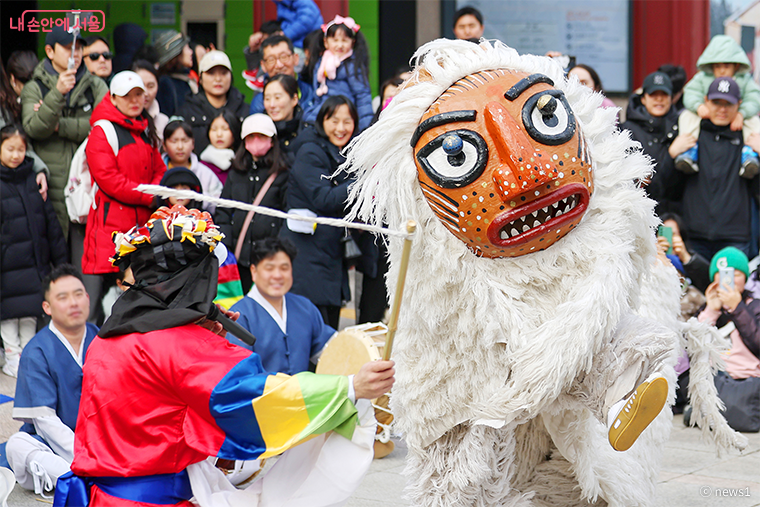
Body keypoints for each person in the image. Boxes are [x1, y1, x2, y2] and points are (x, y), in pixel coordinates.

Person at [55, 206, 394, 507]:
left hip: (100, 494)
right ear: (196, 282)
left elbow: (161, 406)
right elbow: (259, 401)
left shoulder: (107, 337)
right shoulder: (183, 346)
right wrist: (348, 387)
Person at [5, 265, 97, 497]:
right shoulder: (37, 350)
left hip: (103, 440)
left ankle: (83, 480)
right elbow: (46, 421)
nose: (74, 303)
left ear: (87, 298)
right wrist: (85, 455)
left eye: (78, 294)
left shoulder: (102, 338)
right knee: (17, 446)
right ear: (47, 307)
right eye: (63, 297)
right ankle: (89, 477)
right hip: (57, 446)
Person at [82, 71, 166, 325]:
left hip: (142, 225)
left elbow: (160, 168)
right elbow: (108, 179)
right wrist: (148, 196)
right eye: (127, 95)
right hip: (111, 228)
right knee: (101, 299)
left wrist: (153, 192)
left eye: (139, 94)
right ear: (114, 98)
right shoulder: (102, 131)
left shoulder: (144, 127)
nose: (134, 100)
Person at [20, 26, 108, 239]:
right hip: (50, 185)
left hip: (88, 184)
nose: (75, 54)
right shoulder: (34, 87)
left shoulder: (95, 85)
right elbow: (34, 128)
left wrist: (59, 126)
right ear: (50, 52)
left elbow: (103, 128)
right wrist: (57, 93)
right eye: (68, 48)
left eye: (78, 48)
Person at [281, 96, 357, 328]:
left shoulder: (345, 153)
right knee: (311, 328)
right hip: (307, 258)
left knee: (327, 330)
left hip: (329, 256)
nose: (341, 128)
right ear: (322, 121)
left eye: (347, 121)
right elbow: (323, 199)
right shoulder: (310, 152)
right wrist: (363, 182)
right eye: (334, 121)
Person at [0, 125, 67, 377]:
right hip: (7, 264)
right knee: (7, 315)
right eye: (10, 149)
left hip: (33, 260)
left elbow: (50, 222)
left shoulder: (33, 178)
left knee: (30, 311)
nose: (16, 155)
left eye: (21, 149)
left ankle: (27, 355)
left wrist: (60, 262)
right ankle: (12, 355)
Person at [669, 76, 760, 261]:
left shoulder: (748, 138)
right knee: (692, 290)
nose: (722, 109)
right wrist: (671, 154)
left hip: (735, 237)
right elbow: (669, 187)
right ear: (706, 101)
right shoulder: (691, 135)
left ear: (739, 104)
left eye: (729, 103)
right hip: (694, 235)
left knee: (729, 291)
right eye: (716, 102)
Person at [229, 237, 334, 374]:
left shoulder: (305, 307)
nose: (277, 275)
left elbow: (332, 351)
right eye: (269, 268)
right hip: (259, 394)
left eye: (284, 268)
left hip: (303, 394)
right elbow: (240, 375)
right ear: (254, 272)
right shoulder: (238, 316)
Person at [216, 114, 288, 292]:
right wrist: (228, 249)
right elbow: (223, 212)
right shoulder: (236, 173)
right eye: (251, 137)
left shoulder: (283, 173)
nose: (256, 141)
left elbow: (287, 214)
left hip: (268, 260)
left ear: (272, 140)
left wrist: (275, 249)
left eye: (262, 137)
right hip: (239, 259)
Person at [677, 35, 760, 177]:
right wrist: (698, 106)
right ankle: (689, 151)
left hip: (737, 117)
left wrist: (742, 113)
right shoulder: (703, 78)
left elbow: (754, 98)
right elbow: (690, 92)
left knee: (754, 121)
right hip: (707, 115)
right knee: (687, 115)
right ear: (711, 66)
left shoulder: (744, 80)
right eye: (717, 66)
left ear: (736, 66)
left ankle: (749, 154)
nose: (722, 71)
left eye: (726, 66)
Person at [696, 247, 760, 431]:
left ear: (746, 279)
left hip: (748, 382)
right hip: (716, 380)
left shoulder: (755, 306)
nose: (728, 278)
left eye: (736, 273)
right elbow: (694, 346)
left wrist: (737, 307)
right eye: (722, 273)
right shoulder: (709, 307)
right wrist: (711, 310)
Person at [620, 71, 688, 216]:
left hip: (673, 217)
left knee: (669, 239)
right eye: (653, 95)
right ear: (643, 98)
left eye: (664, 95)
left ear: (671, 98)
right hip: (638, 215)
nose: (659, 100)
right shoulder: (627, 131)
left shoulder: (682, 128)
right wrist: (671, 154)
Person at [302, 16, 373, 131]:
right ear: (325, 42)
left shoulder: (352, 66)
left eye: (344, 40)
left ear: (353, 42)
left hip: (344, 116)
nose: (340, 45)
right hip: (325, 113)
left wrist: (365, 127)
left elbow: (362, 96)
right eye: (335, 40)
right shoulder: (321, 63)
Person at [178, 50, 248, 155]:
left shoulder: (245, 110)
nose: (218, 79)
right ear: (200, 78)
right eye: (211, 73)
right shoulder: (186, 111)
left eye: (223, 73)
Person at [162, 119, 222, 212]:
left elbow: (219, 204)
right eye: (174, 141)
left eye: (185, 141)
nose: (180, 147)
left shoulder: (206, 174)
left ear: (193, 143)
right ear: (164, 145)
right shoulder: (157, 171)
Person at [248, 35, 314, 116]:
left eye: (284, 57)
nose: (279, 65)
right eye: (271, 59)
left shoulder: (310, 93)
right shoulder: (259, 103)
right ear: (263, 65)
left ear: (295, 58)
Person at [154, 30, 196, 117]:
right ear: (177, 54)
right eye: (187, 48)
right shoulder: (165, 84)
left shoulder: (186, 79)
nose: (191, 52)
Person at [262, 73, 302, 154]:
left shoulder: (306, 132)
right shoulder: (259, 132)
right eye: (267, 98)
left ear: (294, 99)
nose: (272, 105)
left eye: (277, 98)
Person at [198, 110, 240, 185]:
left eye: (225, 129)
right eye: (214, 129)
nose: (219, 134)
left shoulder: (242, 163)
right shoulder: (201, 166)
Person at [132, 59, 169, 141]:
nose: (145, 93)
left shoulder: (163, 122)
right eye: (140, 86)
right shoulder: (121, 121)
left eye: (151, 86)